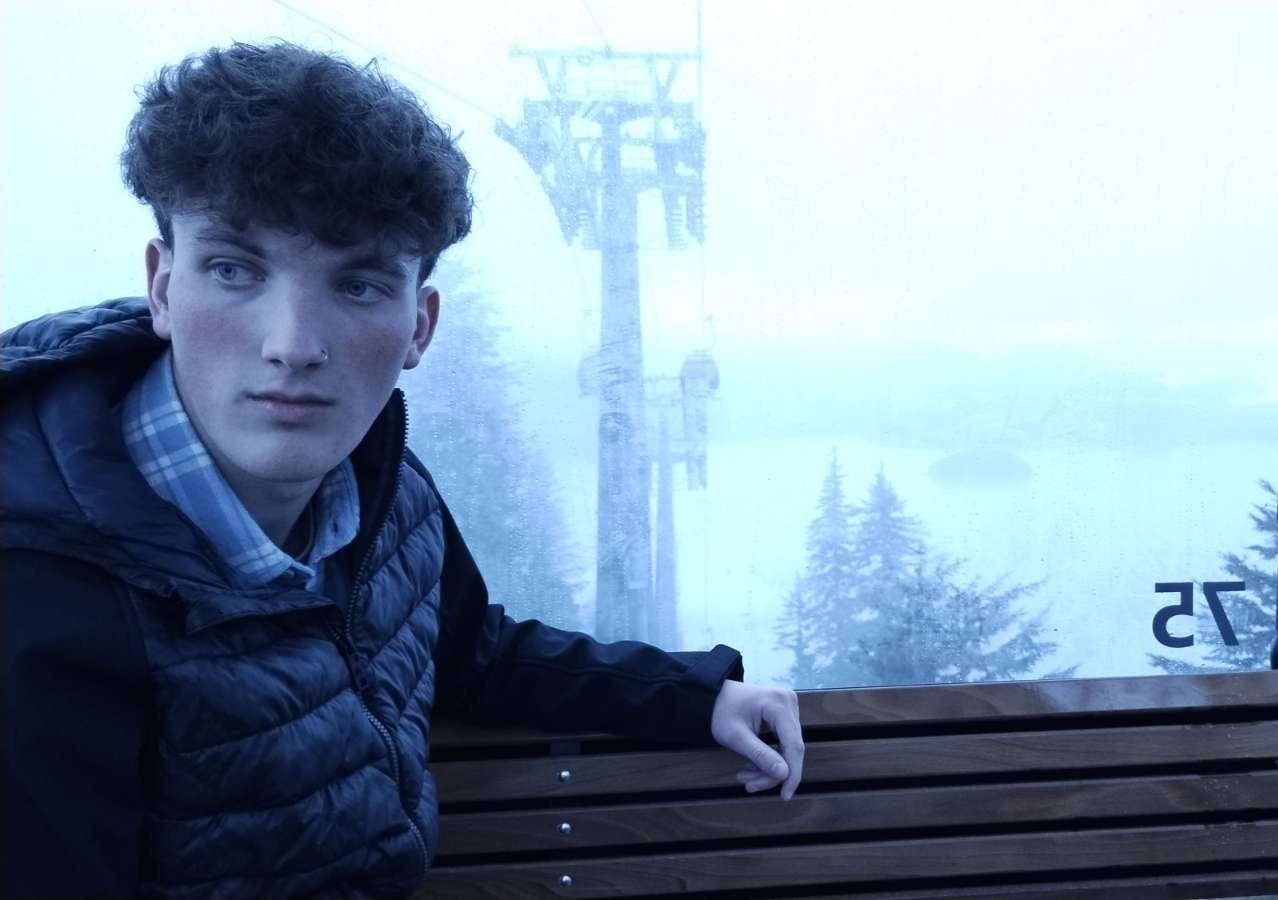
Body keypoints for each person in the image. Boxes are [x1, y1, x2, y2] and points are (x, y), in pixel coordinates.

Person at [0, 41, 803, 897]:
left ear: (419, 326)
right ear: (163, 288)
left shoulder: (383, 493)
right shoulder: (45, 593)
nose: (292, 346)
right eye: (234, 270)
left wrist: (691, 695)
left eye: (357, 288)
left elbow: (467, 651)